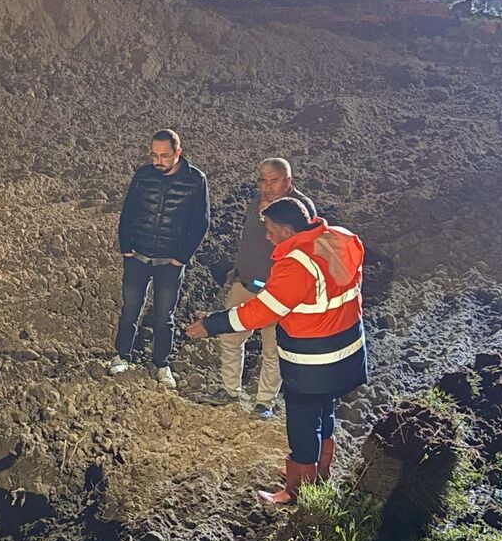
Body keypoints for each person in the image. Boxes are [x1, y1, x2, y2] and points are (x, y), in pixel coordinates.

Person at [185, 196, 367, 503]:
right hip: (345, 349)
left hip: (312, 358)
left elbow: (261, 312)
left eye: (270, 229)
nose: (267, 235)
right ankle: (321, 473)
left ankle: (297, 491)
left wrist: (213, 324)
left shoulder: (297, 264)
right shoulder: (339, 239)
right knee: (324, 412)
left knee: (302, 423)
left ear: (285, 230)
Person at [215, 158, 315, 417]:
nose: (268, 187)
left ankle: (264, 403)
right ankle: (229, 390)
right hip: (246, 282)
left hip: (279, 293)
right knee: (230, 336)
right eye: (263, 180)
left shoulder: (299, 210)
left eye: (275, 181)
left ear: (288, 181)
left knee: (273, 349)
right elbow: (249, 241)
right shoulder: (255, 205)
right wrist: (238, 272)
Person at [112, 129, 209, 389]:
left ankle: (161, 363)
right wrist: (127, 250)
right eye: (154, 155)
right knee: (130, 309)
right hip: (138, 256)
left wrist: (181, 258)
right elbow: (128, 212)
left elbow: (200, 223)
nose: (158, 161)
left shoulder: (196, 179)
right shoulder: (143, 175)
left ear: (178, 152)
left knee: (164, 314)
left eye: (164, 156)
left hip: (170, 262)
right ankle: (122, 356)